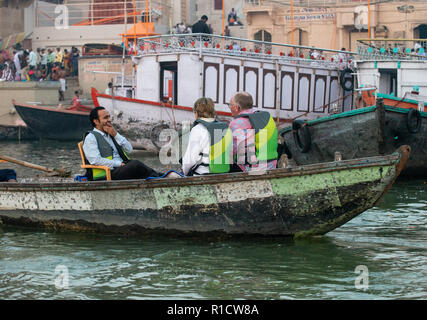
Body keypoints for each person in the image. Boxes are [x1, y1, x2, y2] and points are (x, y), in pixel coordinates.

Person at [83, 106, 163, 180]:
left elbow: (129, 150)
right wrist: (118, 164)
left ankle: (159, 176)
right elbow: (95, 160)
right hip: (107, 173)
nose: (109, 120)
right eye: (105, 118)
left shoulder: (111, 134)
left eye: (109, 117)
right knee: (135, 164)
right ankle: (160, 177)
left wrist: (116, 135)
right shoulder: (91, 138)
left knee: (135, 164)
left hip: (120, 169)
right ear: (96, 121)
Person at [228, 92, 278, 172]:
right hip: (271, 165)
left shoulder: (237, 123)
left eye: (230, 105)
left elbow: (232, 150)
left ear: (237, 107)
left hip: (251, 169)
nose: (229, 107)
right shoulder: (264, 118)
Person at [182, 97, 231, 176]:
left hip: (202, 174)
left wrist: (184, 173)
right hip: (224, 173)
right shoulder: (226, 128)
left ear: (196, 113)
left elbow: (189, 159)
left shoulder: (198, 129)